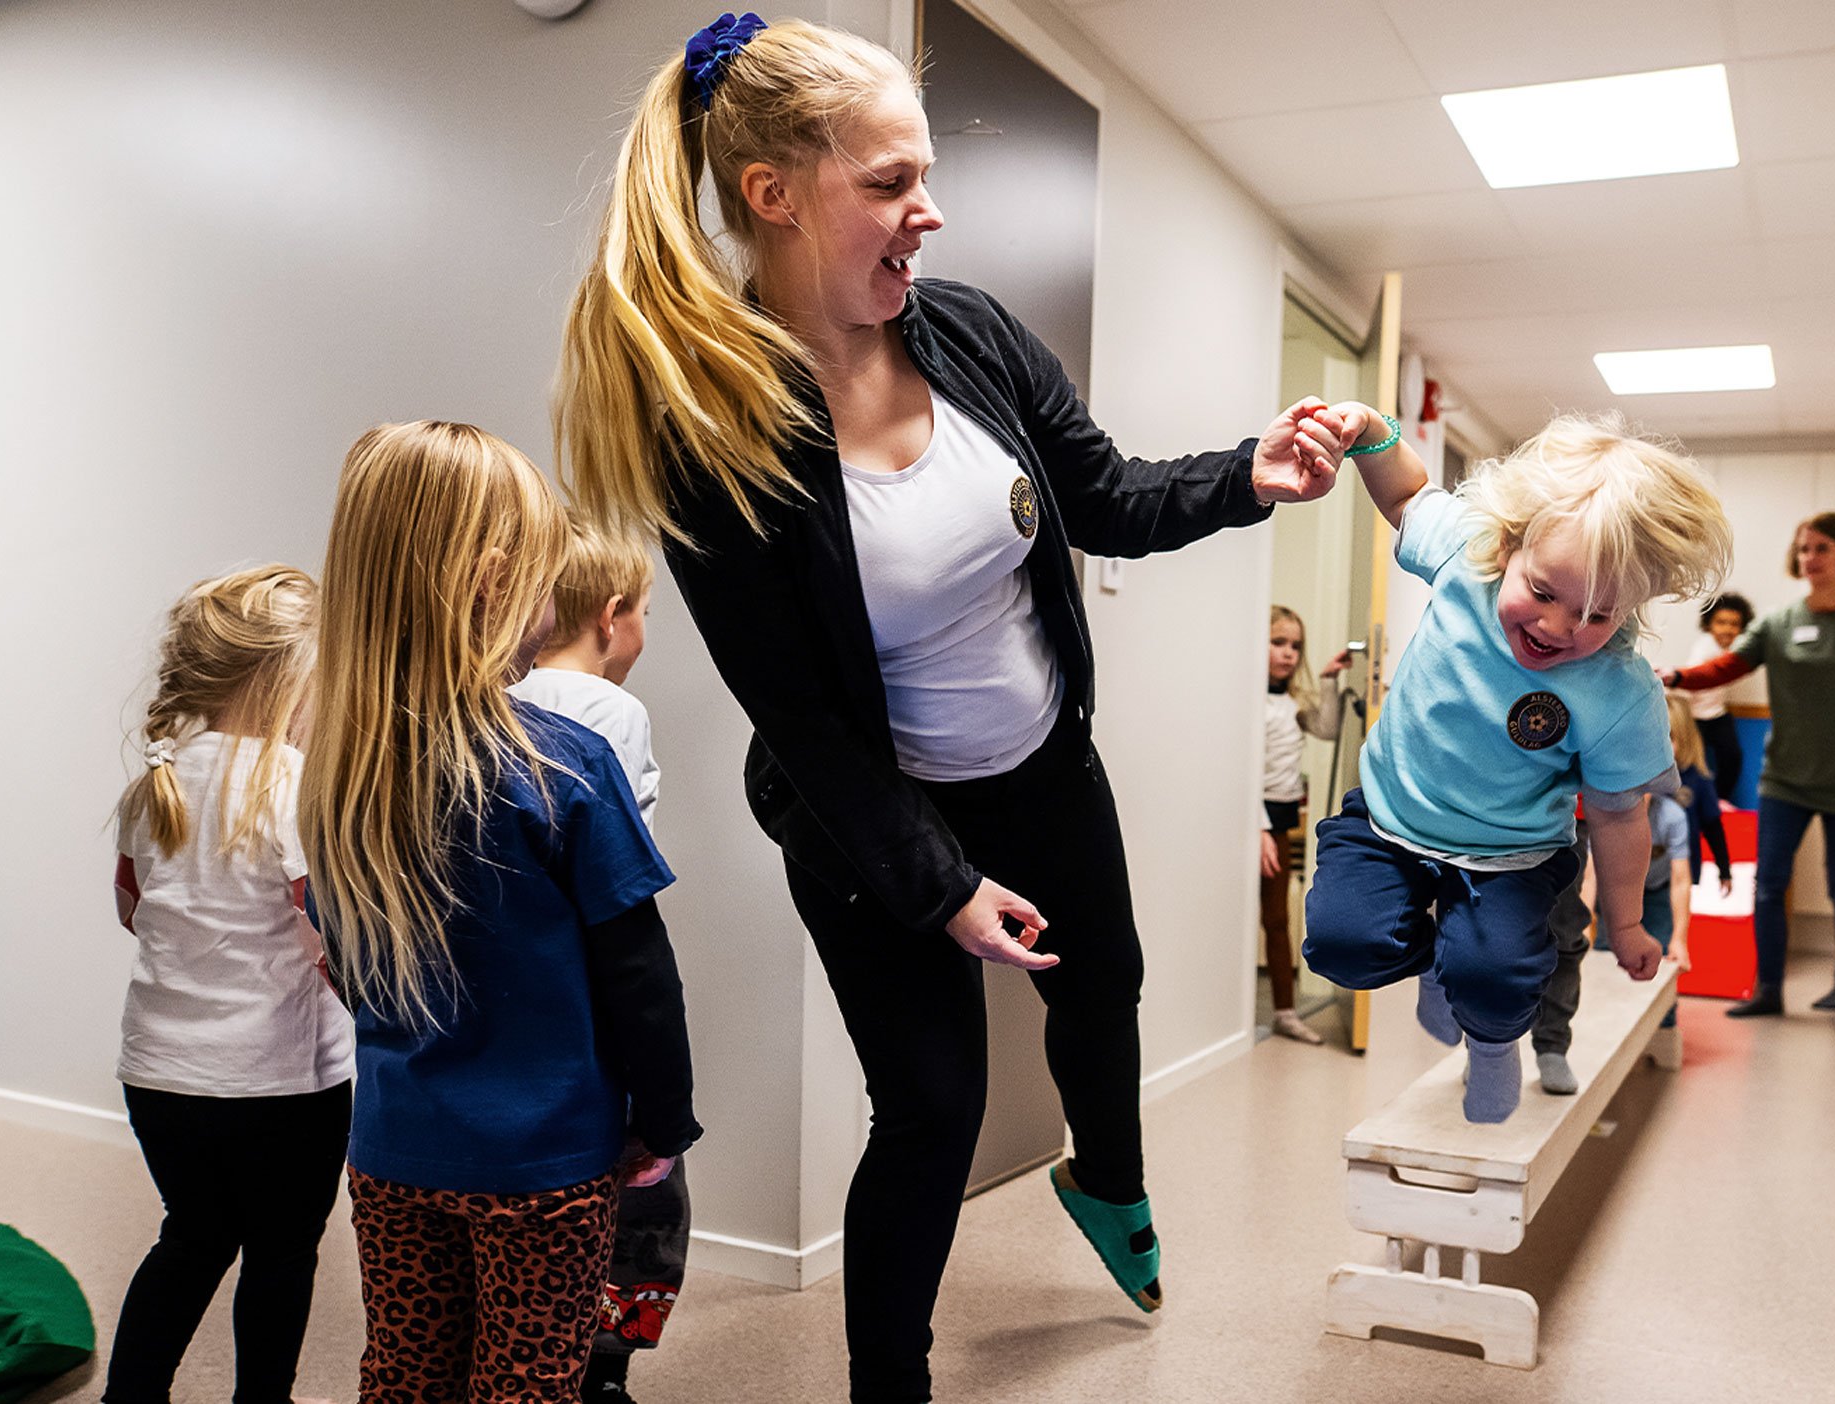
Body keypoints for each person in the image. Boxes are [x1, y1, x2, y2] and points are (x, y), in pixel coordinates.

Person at [552, 16, 1346, 1399]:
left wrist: (1247, 474)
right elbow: (799, 717)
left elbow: (1101, 494)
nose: (929, 210)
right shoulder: (712, 429)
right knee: (931, 1110)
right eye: (891, 181)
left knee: (1108, 985)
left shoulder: (966, 330)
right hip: (871, 817)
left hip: (1041, 766)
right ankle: (890, 1384)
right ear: (774, 195)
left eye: (926, 175)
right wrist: (942, 888)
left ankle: (1105, 1180)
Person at [301, 421, 700, 1404]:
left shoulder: (342, 769)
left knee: (405, 1373)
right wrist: (664, 1120)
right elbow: (639, 974)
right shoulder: (567, 764)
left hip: (392, 1149)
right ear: (490, 583)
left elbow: (346, 963)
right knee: (526, 1381)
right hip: (545, 1164)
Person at [1301, 408, 1732, 1124]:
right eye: (1542, 592)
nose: (1560, 628)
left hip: (1513, 856)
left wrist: (1624, 925)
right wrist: (1371, 433)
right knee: (1345, 946)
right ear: (1508, 548)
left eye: (1598, 615)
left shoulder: (1620, 691)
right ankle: (1441, 966)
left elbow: (1623, 816)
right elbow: (1407, 495)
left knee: (1500, 977)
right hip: (1388, 818)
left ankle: (1495, 1044)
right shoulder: (1466, 553)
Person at [102, 565, 349, 1404]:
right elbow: (333, 934)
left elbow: (133, 909)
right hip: (280, 1080)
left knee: (194, 1236)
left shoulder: (156, 783)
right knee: (282, 1251)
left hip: (161, 1075)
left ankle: (130, 1395)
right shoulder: (293, 784)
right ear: (290, 681)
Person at [508, 523, 686, 1403]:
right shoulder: (616, 713)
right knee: (644, 1184)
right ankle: (604, 1364)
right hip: (601, 977)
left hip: (521, 985)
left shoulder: (493, 695)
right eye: (647, 612)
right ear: (613, 617)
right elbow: (623, 859)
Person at [1665, 511, 1835, 1017]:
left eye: (1820, 548)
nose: (1809, 558)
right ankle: (1768, 990)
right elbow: (1728, 665)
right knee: (1769, 884)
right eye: (1802, 550)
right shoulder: (1779, 623)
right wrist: (1678, 676)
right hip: (1784, 779)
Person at [1531, 785, 1692, 1096]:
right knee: (1575, 947)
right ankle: (1489, 1044)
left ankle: (1661, 1032)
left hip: (1654, 889)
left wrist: (1679, 940)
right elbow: (1591, 878)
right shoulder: (1608, 811)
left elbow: (1682, 881)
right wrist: (1584, 926)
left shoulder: (1670, 816)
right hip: (1604, 878)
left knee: (1651, 963)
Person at [1260, 605, 1346, 1045]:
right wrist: (1255, 829)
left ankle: (1284, 1012)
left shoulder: (1292, 703)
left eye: (1296, 646)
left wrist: (1328, 678)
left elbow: (1328, 728)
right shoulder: (1248, 702)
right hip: (1248, 820)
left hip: (1280, 818)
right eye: (1278, 643)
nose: (1289, 653)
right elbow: (1241, 767)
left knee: (1277, 919)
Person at [1686, 594, 1752, 800]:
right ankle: (1696, 803)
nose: (1727, 629)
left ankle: (1719, 799)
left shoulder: (1730, 649)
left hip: (1716, 714)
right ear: (1709, 625)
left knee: (1732, 757)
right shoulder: (1705, 648)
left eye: (1734, 624)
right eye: (1721, 623)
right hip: (1695, 716)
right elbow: (1690, 679)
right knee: (1692, 764)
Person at [1667, 692, 1734, 896]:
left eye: (1669, 738)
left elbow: (1713, 827)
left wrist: (1724, 870)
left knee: (1674, 923)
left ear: (1684, 739)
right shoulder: (1642, 780)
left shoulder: (1698, 781)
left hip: (1682, 871)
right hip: (1645, 871)